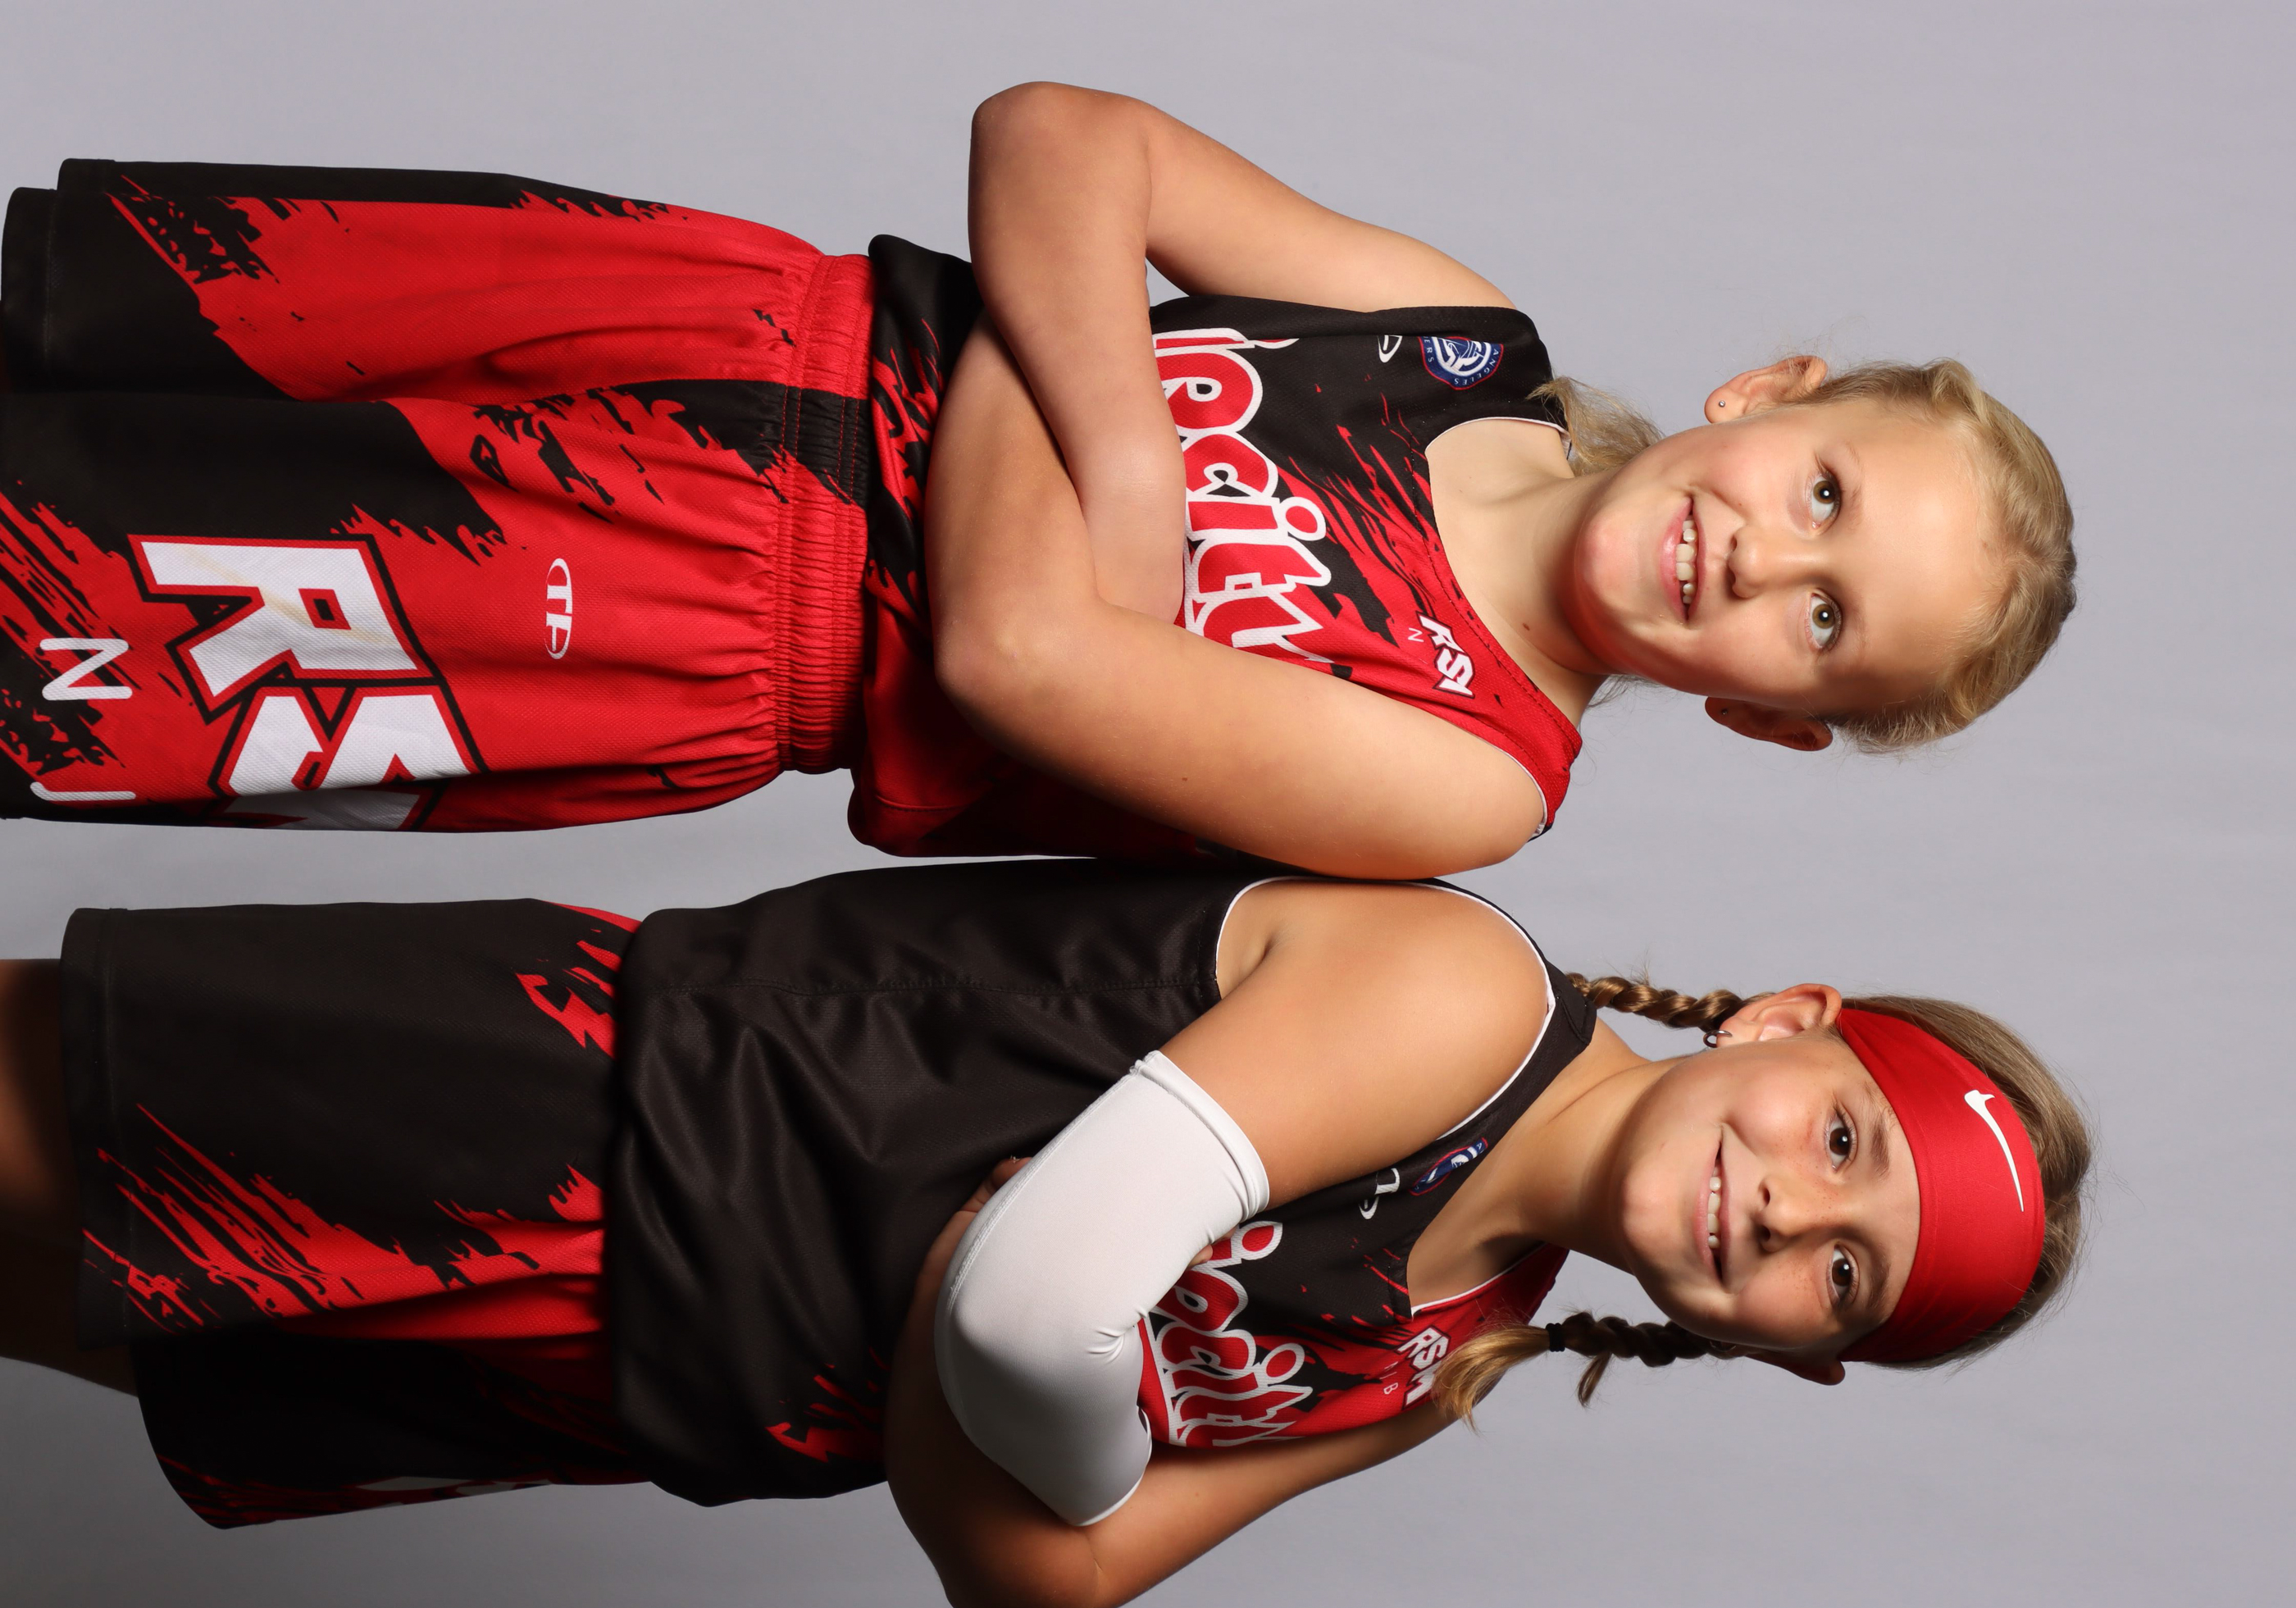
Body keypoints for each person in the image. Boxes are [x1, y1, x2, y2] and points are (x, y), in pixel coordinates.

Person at [0, 85, 2074, 875]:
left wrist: (1052, 326)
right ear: (1768, 391)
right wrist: (1124, 460)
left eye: (1824, 627)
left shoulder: (1472, 773)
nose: (1763, 563)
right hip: (696, 318)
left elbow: (1003, 653)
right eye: (1822, 493)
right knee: (77, 334)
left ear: (1766, 721)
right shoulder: (1451, 338)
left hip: (671, 624)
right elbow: (1060, 135)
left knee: (55, 612)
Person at [0, 859, 2089, 1608]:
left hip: (638, 1383)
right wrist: (1004, 1372)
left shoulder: (1440, 1357)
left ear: (1800, 1353)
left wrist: (1012, 1373)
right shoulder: (1460, 994)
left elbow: (1038, 1575)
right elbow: (1018, 1307)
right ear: (1782, 1021)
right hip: (585, 1116)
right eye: (1840, 1137)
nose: (1787, 1205)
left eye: (1842, 1270)